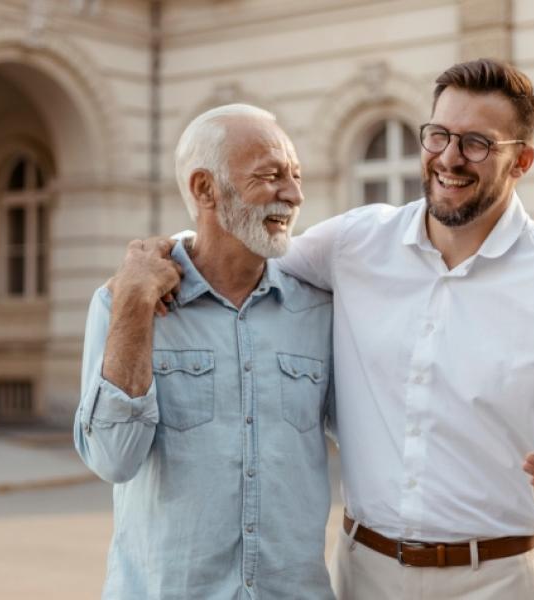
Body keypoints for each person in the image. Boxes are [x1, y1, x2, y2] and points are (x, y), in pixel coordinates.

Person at [273, 58, 534, 598]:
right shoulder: (353, 243)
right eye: (438, 136)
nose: (449, 158)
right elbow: (249, 266)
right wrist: (163, 260)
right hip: (363, 573)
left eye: (476, 142)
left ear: (521, 160)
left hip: (497, 579)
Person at [74, 104, 338, 599]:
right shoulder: (122, 302)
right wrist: (134, 305)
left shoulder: (319, 309)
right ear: (204, 189)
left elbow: (380, 442)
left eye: (296, 176)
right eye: (271, 176)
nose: (294, 194)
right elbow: (113, 459)